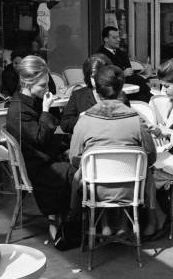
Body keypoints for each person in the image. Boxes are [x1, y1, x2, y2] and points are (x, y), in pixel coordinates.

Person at [69, 65, 167, 238]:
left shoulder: (84, 121)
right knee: (144, 170)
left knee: (87, 171)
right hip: (132, 188)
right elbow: (150, 157)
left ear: (97, 92)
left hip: (95, 190)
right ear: (121, 89)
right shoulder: (136, 120)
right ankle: (148, 222)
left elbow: (75, 158)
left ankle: (106, 225)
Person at [6, 56, 76, 217]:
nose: (47, 89)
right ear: (26, 83)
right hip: (38, 168)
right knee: (80, 172)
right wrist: (45, 110)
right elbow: (41, 139)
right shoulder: (19, 110)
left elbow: (49, 133)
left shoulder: (30, 101)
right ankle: (73, 219)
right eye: (42, 85)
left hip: (45, 158)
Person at [95, 26, 150, 102]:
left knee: (141, 82)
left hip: (128, 84)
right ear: (106, 39)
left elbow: (129, 70)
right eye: (115, 38)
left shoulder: (122, 53)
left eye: (118, 37)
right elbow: (103, 75)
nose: (118, 40)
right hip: (111, 89)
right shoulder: (99, 55)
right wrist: (122, 73)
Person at [60, 54, 111, 134]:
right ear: (88, 76)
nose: (98, 80)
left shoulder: (116, 93)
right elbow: (65, 125)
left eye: (101, 76)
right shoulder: (78, 95)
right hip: (87, 141)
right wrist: (80, 118)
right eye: (94, 77)